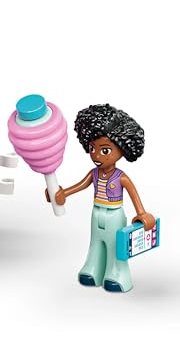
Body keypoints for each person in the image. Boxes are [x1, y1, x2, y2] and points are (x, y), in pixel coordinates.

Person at [48, 104, 155, 292]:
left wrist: (142, 213)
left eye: (105, 150)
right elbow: (81, 185)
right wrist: (62, 194)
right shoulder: (94, 174)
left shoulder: (121, 177)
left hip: (114, 215)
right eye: (92, 148)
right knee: (96, 242)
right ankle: (93, 269)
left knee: (115, 246)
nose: (96, 155)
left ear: (122, 150)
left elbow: (133, 194)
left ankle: (117, 274)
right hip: (96, 213)